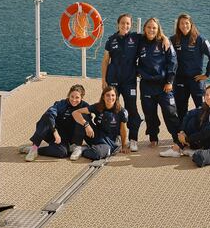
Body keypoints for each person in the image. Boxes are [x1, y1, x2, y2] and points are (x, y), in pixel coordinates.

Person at [160, 85, 210, 168]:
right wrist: (182, 131)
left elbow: (206, 132)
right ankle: (177, 149)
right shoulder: (207, 107)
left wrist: (187, 139)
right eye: (207, 95)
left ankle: (194, 151)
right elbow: (189, 114)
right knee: (192, 120)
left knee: (200, 157)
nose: (209, 97)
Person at [137, 17, 181, 147]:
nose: (151, 30)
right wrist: (137, 71)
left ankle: (177, 137)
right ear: (144, 28)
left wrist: (169, 81)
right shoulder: (139, 42)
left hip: (164, 85)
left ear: (158, 30)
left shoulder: (164, 42)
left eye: (154, 28)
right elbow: (131, 58)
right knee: (149, 113)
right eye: (149, 27)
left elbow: (173, 62)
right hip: (146, 85)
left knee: (170, 112)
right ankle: (153, 137)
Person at [101, 13, 142, 152]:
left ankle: (133, 139)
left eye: (128, 24)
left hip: (129, 80)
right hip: (113, 80)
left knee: (132, 109)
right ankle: (116, 136)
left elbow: (153, 37)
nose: (125, 26)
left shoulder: (136, 38)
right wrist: (103, 81)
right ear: (118, 24)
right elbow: (105, 61)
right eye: (123, 23)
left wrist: (165, 39)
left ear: (131, 25)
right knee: (114, 109)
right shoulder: (111, 40)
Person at [19, 84, 89, 162]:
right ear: (68, 95)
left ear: (82, 97)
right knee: (47, 116)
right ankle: (34, 148)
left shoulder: (85, 106)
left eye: (77, 97)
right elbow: (50, 114)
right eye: (72, 96)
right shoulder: (61, 104)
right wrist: (55, 132)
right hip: (55, 133)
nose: (73, 100)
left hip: (69, 138)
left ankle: (76, 147)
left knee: (62, 152)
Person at [171, 13, 210, 123]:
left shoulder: (200, 39)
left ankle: (204, 133)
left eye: (187, 23)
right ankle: (183, 132)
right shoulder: (173, 39)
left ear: (191, 24)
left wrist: (206, 74)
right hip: (180, 80)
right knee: (181, 109)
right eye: (181, 23)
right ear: (178, 25)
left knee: (202, 108)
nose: (184, 26)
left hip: (196, 80)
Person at [72, 86, 129, 160]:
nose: (110, 98)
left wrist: (124, 146)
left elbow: (123, 130)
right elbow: (75, 113)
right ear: (103, 97)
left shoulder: (121, 111)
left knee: (97, 154)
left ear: (116, 97)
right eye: (107, 95)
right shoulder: (98, 106)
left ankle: (84, 149)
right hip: (94, 135)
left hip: (109, 142)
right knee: (83, 116)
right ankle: (77, 146)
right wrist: (86, 125)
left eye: (113, 95)